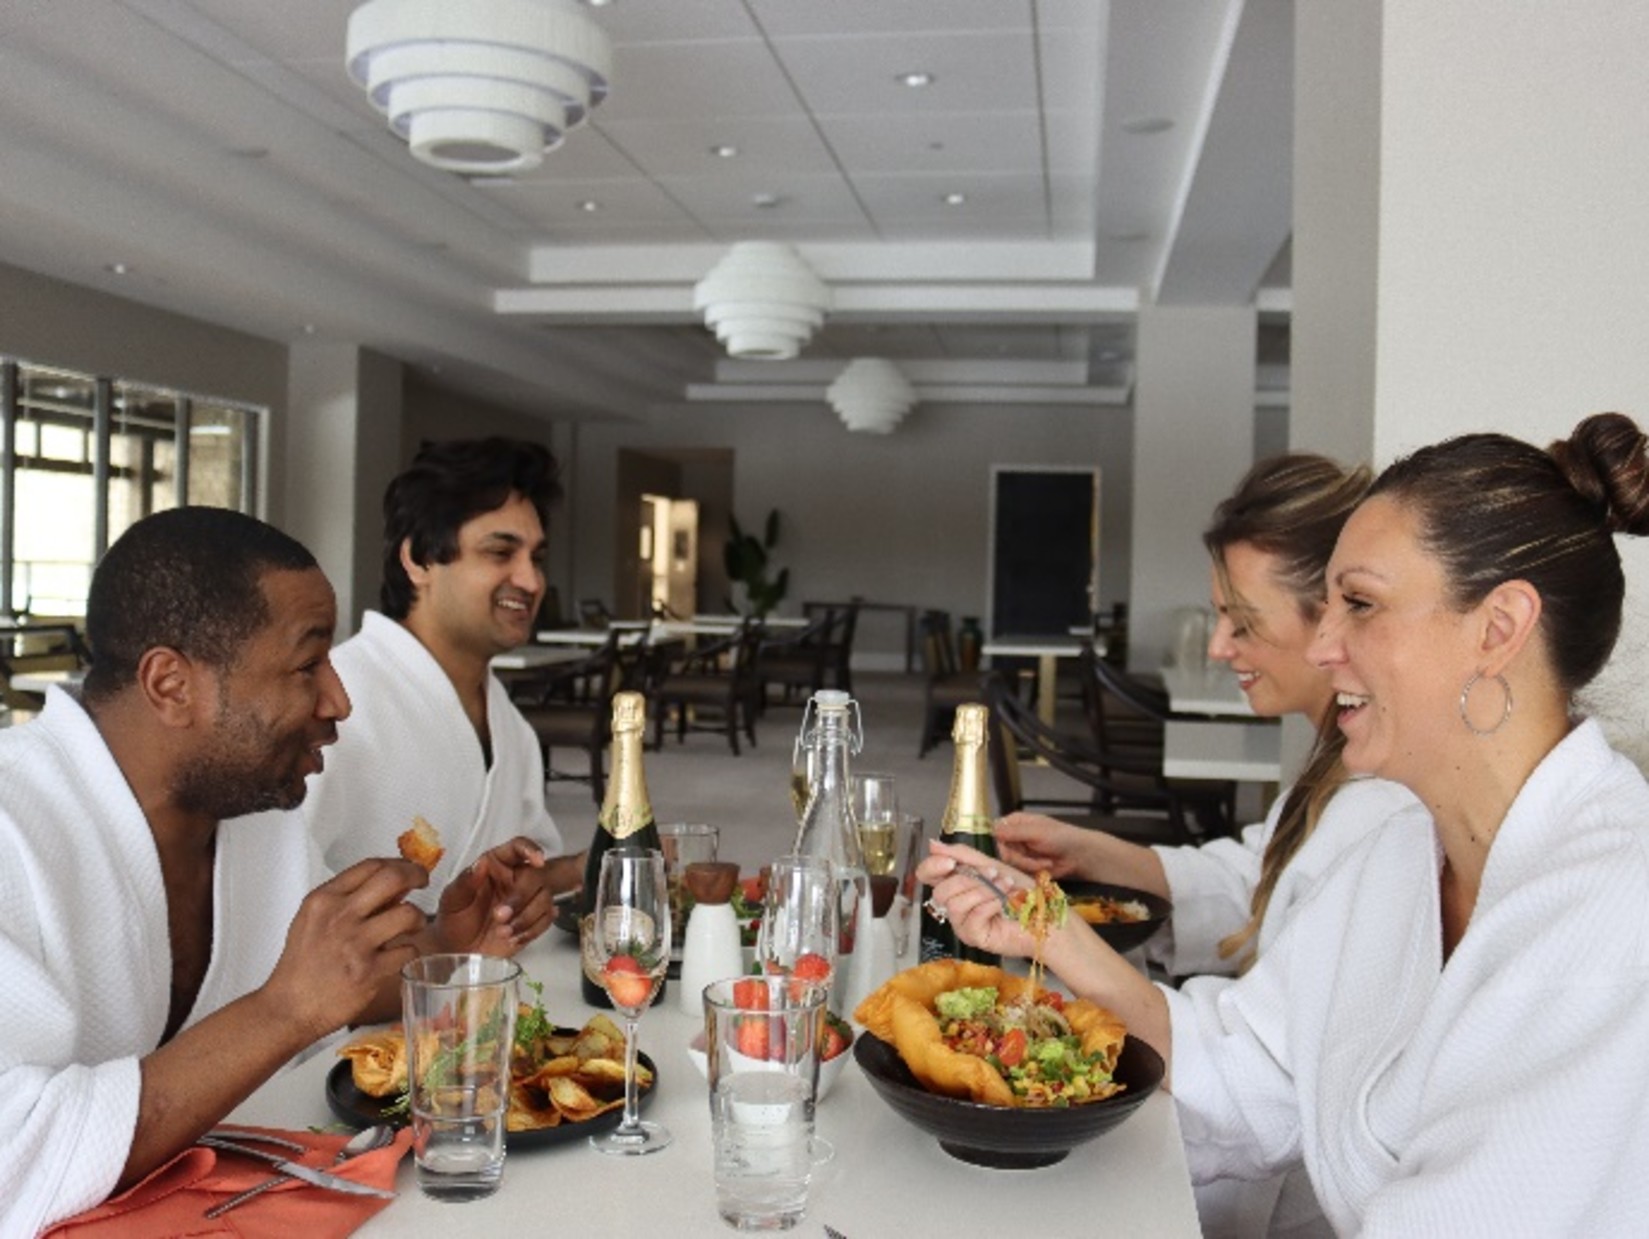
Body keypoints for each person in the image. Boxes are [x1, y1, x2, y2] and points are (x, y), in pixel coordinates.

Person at [924, 412, 1649, 1235]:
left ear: (1498, 628)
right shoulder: (1397, 854)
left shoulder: (1610, 920)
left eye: (1360, 604)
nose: (1326, 644)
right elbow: (1249, 1066)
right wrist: (1041, 922)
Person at [0, 508, 548, 1236]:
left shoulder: (254, 812)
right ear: (171, 684)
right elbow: (16, 1157)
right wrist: (282, 1010)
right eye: (306, 665)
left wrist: (449, 945)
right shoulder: (14, 834)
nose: (340, 700)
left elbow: (332, 986)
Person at [995, 454, 1417, 1236]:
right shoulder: (1342, 764)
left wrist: (1056, 935)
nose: (1220, 646)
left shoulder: (1391, 810)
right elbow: (1263, 873)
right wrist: (1091, 850)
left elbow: (1256, 1075)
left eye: (1244, 622)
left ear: (1334, 620)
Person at [298, 437, 582, 929]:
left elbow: (515, 875)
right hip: (364, 1003)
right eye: (500, 552)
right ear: (420, 560)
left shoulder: (510, 726)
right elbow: (274, 901)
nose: (532, 581)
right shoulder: (332, 705)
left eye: (536, 558)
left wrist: (584, 866)